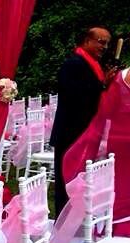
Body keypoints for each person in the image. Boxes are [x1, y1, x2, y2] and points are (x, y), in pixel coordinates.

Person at [50, 26, 118, 211]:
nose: (104, 47)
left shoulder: (92, 65)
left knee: (79, 179)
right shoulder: (74, 63)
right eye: (101, 42)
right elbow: (74, 95)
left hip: (83, 131)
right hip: (70, 132)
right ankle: (62, 227)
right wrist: (102, 84)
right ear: (87, 41)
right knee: (66, 181)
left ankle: (78, 223)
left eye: (107, 43)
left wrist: (104, 85)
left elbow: (93, 94)